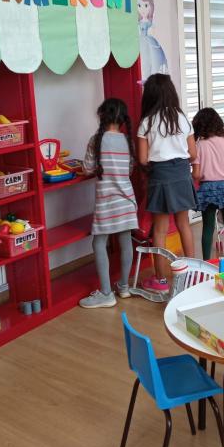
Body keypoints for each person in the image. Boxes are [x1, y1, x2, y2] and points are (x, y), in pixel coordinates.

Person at [137, 73, 197, 294]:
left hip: (160, 177)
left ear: (150, 95)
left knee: (160, 231)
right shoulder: (182, 118)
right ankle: (192, 273)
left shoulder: (146, 122)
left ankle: (161, 280)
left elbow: (143, 159)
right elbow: (193, 153)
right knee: (184, 225)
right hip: (182, 174)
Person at [79, 99, 138, 309]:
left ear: (103, 116)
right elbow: (129, 170)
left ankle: (106, 294)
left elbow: (87, 168)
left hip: (106, 201)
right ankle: (124, 286)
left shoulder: (96, 140)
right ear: (122, 119)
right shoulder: (128, 142)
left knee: (98, 242)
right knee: (125, 241)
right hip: (126, 199)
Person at [191, 107, 224, 260]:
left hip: (207, 188)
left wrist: (192, 175)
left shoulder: (199, 145)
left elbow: (197, 174)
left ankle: (206, 260)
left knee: (208, 227)